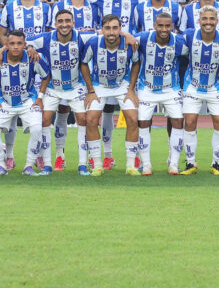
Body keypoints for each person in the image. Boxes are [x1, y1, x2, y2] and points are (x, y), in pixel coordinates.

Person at [33, 9, 93, 174]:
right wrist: (30, 47)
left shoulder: (82, 37)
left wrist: (128, 36)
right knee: (44, 119)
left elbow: (107, 33)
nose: (64, 24)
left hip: (75, 87)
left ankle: (82, 164)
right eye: (60, 21)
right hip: (53, 87)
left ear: (73, 23)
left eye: (68, 21)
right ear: (55, 24)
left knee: (82, 118)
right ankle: (47, 165)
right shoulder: (46, 38)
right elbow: (18, 41)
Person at [82, 14, 140, 176]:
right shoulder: (94, 43)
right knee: (91, 119)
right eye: (107, 28)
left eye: (115, 28)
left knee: (133, 119)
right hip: (99, 86)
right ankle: (97, 164)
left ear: (120, 30)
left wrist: (131, 89)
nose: (111, 32)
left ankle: (130, 165)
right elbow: (83, 63)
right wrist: (90, 90)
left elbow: (136, 63)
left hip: (122, 86)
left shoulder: (129, 43)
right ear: (102, 30)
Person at [0, 30, 48, 176]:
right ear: (6, 45)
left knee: (37, 130)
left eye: (19, 43)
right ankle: (1, 166)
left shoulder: (33, 58)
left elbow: (46, 76)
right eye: (12, 43)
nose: (15, 47)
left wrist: (40, 98)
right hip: (5, 102)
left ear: (25, 45)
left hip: (28, 101)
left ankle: (28, 166)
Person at [180, 6, 219, 174]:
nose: (208, 22)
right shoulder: (189, 35)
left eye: (211, 19)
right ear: (199, 20)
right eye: (205, 19)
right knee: (189, 122)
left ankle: (216, 164)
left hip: (215, 87)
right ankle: (190, 163)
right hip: (192, 85)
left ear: (217, 21)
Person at [134, 12, 189, 174]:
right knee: (143, 123)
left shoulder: (179, 43)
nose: (164, 29)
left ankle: (174, 163)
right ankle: (146, 164)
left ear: (172, 26)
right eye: (161, 25)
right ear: (155, 26)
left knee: (178, 122)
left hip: (171, 90)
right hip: (147, 89)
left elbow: (191, 56)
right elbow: (127, 38)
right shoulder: (144, 38)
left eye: (167, 26)